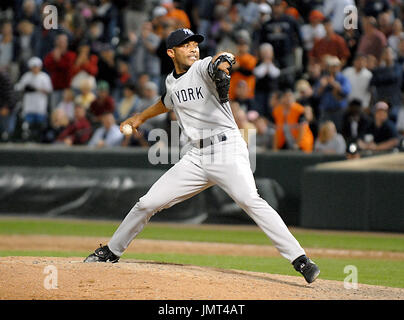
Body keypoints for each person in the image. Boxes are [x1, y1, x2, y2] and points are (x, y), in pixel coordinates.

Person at [84, 28, 320, 284]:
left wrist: (223, 66)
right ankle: (112, 250)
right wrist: (139, 117)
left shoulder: (202, 67)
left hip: (226, 148)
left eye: (195, 43)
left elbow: (224, 58)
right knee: (147, 203)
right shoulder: (171, 81)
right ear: (171, 52)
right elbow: (167, 101)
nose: (193, 47)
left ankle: (301, 260)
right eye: (186, 45)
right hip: (196, 156)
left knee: (250, 200)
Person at [14, 56, 53, 141]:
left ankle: (39, 139)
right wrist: (27, 88)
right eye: (33, 67)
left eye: (37, 67)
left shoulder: (44, 76)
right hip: (29, 105)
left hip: (40, 106)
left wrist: (36, 89)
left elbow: (49, 89)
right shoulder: (27, 76)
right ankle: (28, 139)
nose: (35, 69)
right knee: (27, 125)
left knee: (40, 125)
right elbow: (18, 87)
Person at [314, 56, 351, 132]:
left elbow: (346, 91)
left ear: (339, 67)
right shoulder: (324, 78)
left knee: (338, 132)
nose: (334, 68)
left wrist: (334, 84)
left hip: (338, 111)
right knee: (323, 132)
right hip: (325, 111)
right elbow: (316, 94)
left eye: (336, 66)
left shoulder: (343, 79)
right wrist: (322, 86)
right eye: (332, 66)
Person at [43, 33, 76, 109]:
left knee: (67, 112)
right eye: (60, 41)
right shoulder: (51, 55)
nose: (62, 44)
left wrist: (57, 60)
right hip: (55, 88)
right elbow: (47, 65)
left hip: (67, 88)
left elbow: (67, 67)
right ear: (56, 42)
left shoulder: (71, 55)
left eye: (64, 41)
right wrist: (56, 60)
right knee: (55, 110)